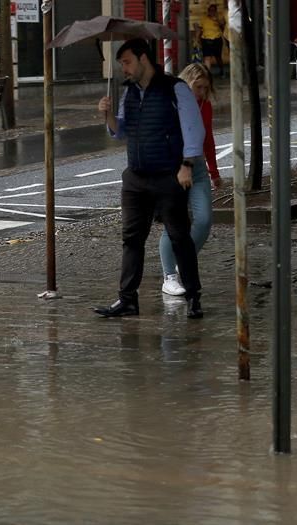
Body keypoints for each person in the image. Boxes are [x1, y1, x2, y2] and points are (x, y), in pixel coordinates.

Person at [95, 38, 205, 319]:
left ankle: (194, 296)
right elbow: (121, 131)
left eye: (127, 62)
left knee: (179, 237)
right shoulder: (130, 92)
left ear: (143, 59)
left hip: (169, 175)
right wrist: (108, 116)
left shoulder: (175, 88)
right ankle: (127, 299)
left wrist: (186, 165)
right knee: (131, 239)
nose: (124, 69)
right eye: (121, 64)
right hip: (136, 177)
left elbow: (194, 129)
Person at [159, 63, 222, 296]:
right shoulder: (172, 105)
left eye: (206, 88)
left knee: (204, 220)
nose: (202, 92)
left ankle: (183, 261)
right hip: (174, 169)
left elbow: (208, 139)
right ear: (186, 85)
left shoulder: (205, 106)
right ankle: (170, 276)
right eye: (198, 87)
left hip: (197, 169)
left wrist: (214, 172)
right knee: (174, 224)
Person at [198, 3, 226, 78]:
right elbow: (200, 29)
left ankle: (222, 70)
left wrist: (217, 19)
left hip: (217, 39)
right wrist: (197, 39)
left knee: (218, 57)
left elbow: (223, 28)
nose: (211, 12)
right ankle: (208, 75)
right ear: (208, 11)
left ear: (216, 11)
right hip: (206, 39)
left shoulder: (219, 18)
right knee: (207, 57)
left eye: (213, 10)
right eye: (210, 10)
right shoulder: (204, 18)